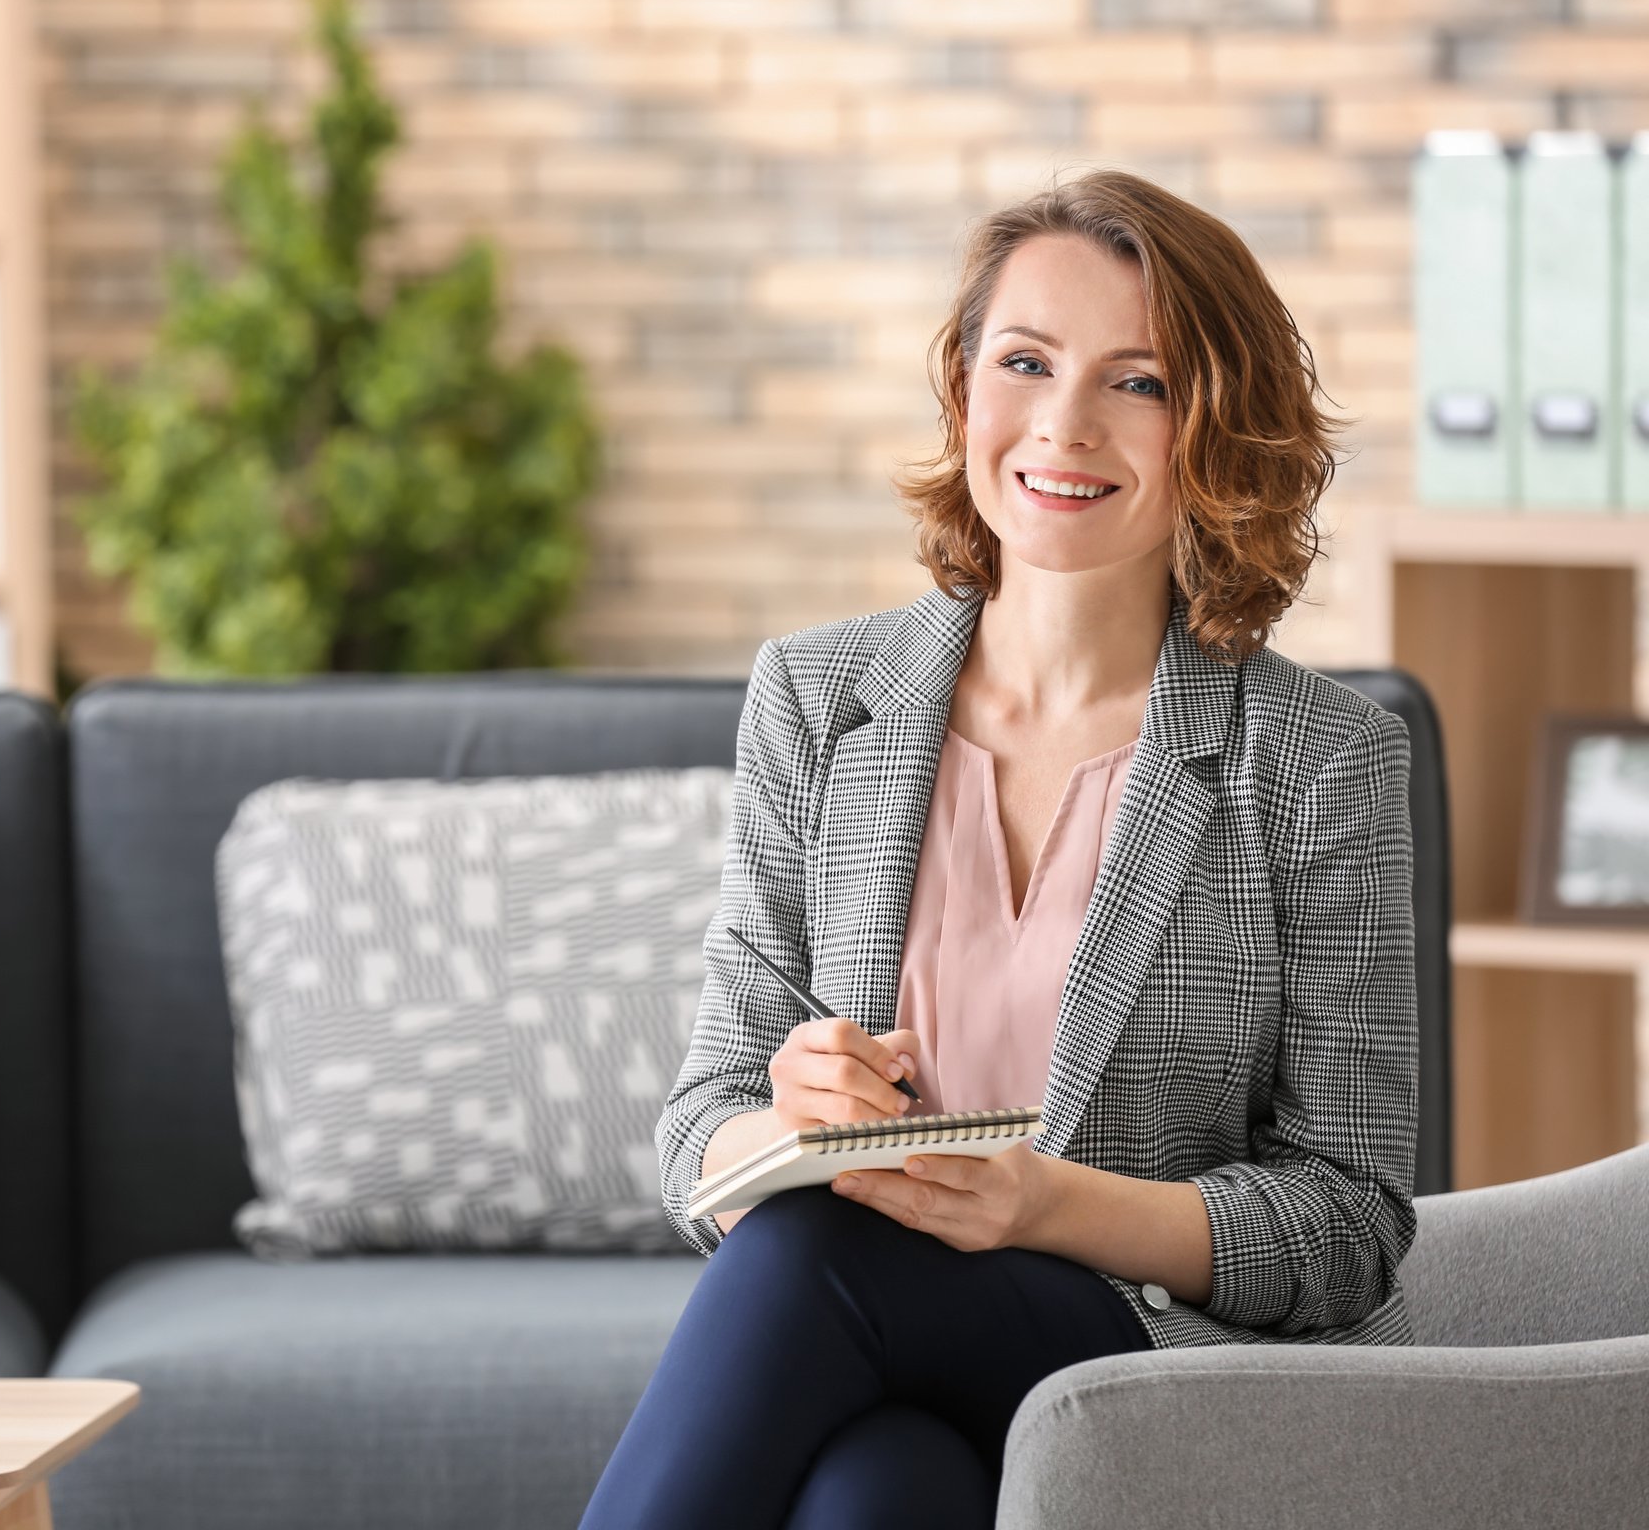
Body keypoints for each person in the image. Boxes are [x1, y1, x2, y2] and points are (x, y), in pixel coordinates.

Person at [577, 167, 1419, 1529]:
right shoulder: (815, 700)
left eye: (1136, 381)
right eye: (1025, 362)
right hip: (890, 1354)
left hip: (1152, 1365)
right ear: (967, 387)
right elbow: (696, 1131)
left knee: (809, 1258)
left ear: (1215, 430)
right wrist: (781, 1118)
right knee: (877, 1494)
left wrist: (1042, 1207)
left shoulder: (1321, 761)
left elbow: (1351, 1228)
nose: (1065, 424)